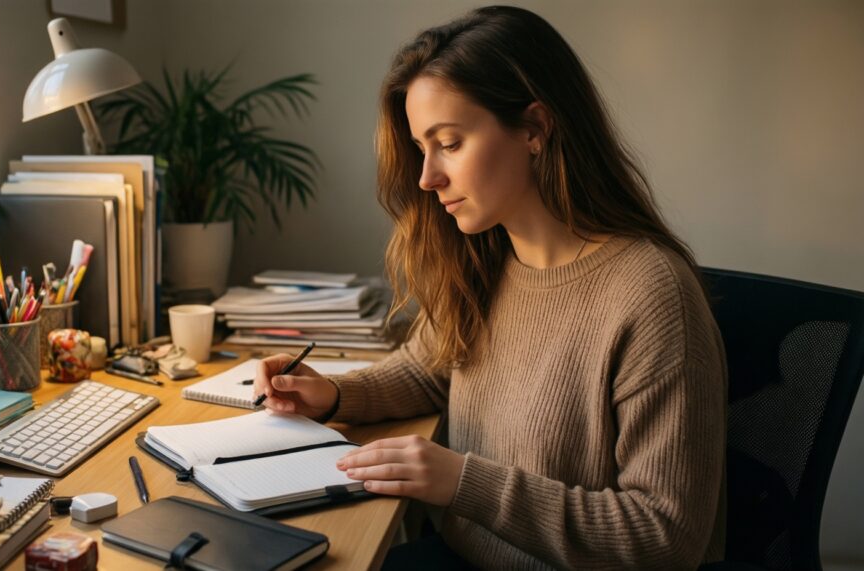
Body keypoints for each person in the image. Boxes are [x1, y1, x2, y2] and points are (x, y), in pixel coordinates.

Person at [253, 5, 726, 569]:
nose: (427, 178)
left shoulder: (651, 296)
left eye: (449, 143)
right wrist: (332, 394)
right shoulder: (488, 255)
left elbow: (666, 537)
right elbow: (426, 370)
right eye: (422, 149)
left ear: (534, 128)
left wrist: (464, 482)